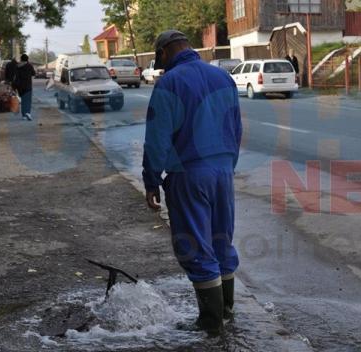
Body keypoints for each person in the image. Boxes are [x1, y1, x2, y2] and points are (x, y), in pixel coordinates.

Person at [142, 30, 242, 336]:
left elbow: (157, 139)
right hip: (223, 172)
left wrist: (151, 181)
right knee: (221, 242)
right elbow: (235, 127)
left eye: (159, 58)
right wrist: (228, 167)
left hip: (189, 174)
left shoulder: (169, 83)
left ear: (164, 53)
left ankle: (211, 325)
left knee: (196, 247)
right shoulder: (222, 77)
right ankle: (226, 313)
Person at [14, 54, 35, 121]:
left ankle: (23, 115)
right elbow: (33, 73)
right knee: (28, 100)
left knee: (23, 101)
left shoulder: (17, 66)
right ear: (27, 59)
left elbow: (15, 76)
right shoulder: (29, 66)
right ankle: (27, 113)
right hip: (28, 85)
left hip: (19, 86)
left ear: (21, 59)